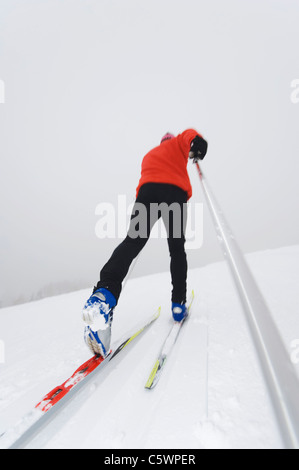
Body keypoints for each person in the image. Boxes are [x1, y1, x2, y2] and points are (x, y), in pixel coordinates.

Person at [82, 129, 208, 356]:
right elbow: (189, 135)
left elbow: (143, 183)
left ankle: (104, 296)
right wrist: (197, 144)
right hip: (174, 193)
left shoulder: (150, 155)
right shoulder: (178, 144)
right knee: (176, 249)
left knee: (133, 241)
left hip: (147, 192)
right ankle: (178, 304)